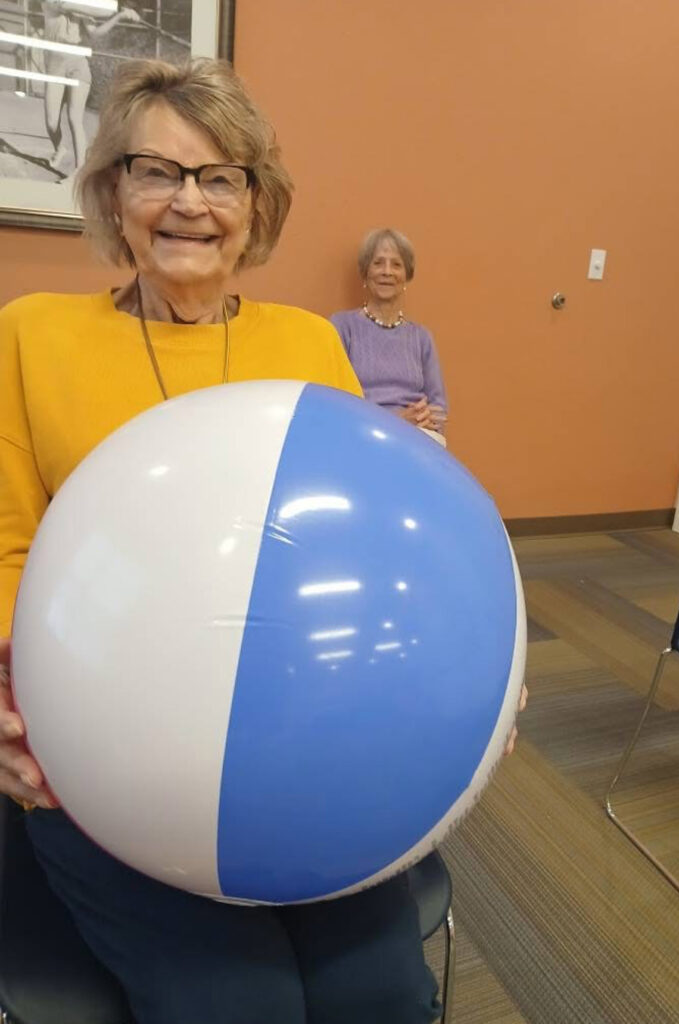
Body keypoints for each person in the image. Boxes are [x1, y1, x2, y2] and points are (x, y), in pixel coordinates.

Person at [0, 58, 442, 1024]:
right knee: (240, 1006)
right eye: (156, 171)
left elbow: (368, 550)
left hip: (304, 748)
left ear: (257, 202)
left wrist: (458, 652)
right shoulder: (31, 336)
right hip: (106, 764)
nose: (188, 202)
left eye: (220, 176)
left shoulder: (308, 346)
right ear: (113, 193)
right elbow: (5, 553)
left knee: (384, 994)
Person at [331, 228, 448, 446]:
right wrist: (397, 421)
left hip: (417, 441)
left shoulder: (421, 338)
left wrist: (426, 418)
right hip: (362, 439)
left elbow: (439, 407)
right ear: (365, 272)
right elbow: (336, 402)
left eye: (396, 264)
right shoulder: (342, 327)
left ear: (406, 276)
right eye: (378, 263)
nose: (387, 271)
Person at [41, 1, 142, 173]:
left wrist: (118, 17)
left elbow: (95, 33)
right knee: (51, 123)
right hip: (54, 63)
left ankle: (79, 172)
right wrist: (118, 11)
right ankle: (59, 148)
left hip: (78, 63)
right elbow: (70, 7)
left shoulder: (81, 5)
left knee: (75, 118)